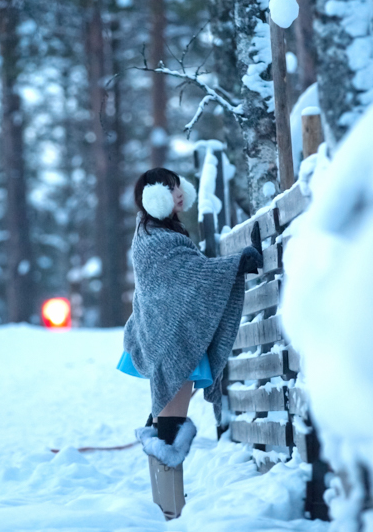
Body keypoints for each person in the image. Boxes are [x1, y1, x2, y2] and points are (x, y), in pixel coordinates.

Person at [116, 167, 263, 520]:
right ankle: (169, 510)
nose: (178, 192)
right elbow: (191, 278)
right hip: (170, 339)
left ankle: (166, 504)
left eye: (178, 185)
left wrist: (229, 267)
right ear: (154, 196)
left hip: (176, 335)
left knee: (166, 415)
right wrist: (236, 265)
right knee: (170, 420)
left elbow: (191, 277)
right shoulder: (155, 238)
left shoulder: (161, 232)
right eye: (168, 188)